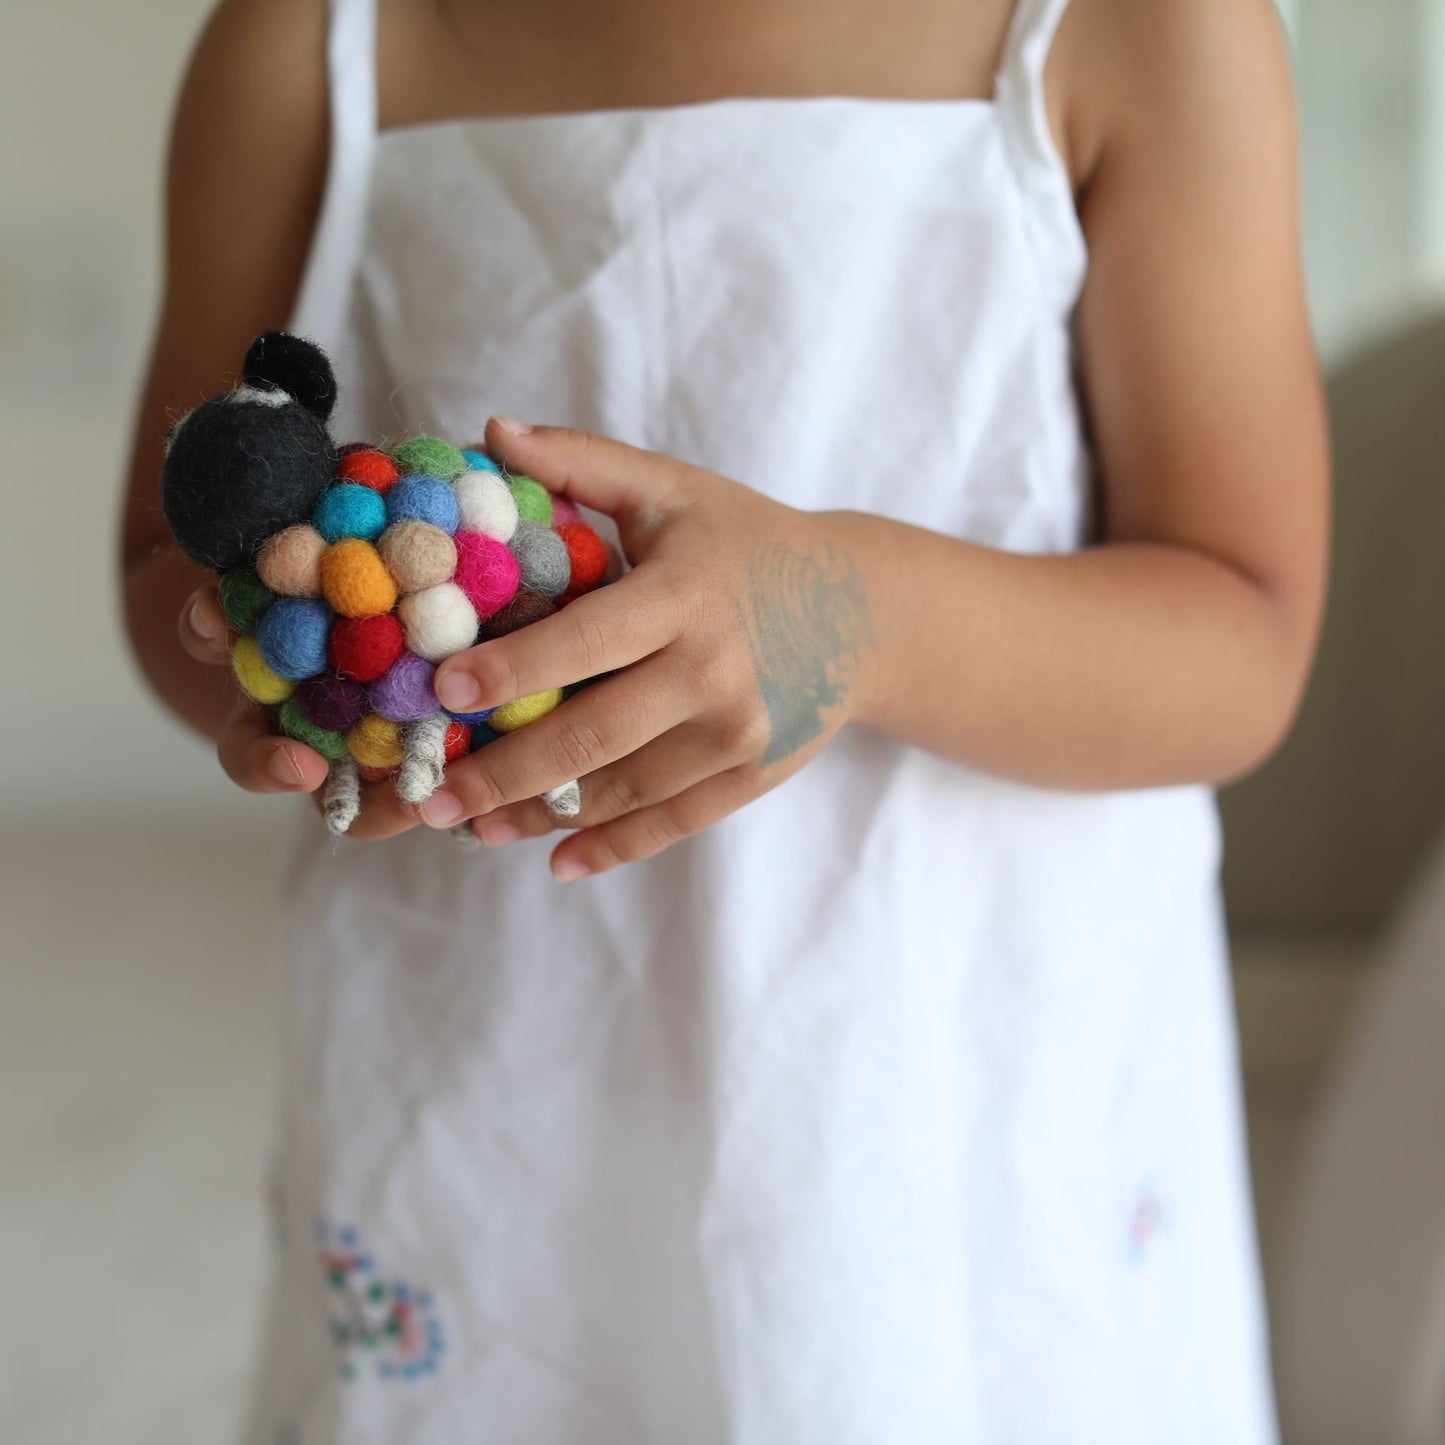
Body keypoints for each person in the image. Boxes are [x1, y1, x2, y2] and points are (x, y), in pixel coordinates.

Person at [118, 0, 1329, 1438]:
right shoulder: (309, 43)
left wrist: (845, 617)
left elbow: (1240, 630)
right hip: (501, 1049)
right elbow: (163, 563)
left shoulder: (1150, 29)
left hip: (951, 1066)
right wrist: (283, 652)